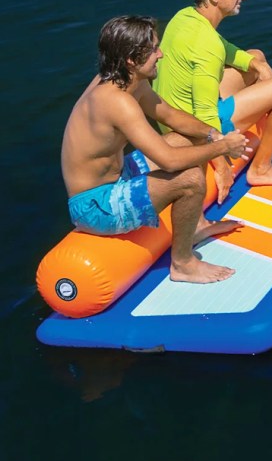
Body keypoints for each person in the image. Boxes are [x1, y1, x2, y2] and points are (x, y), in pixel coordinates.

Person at [62, 16, 251, 283]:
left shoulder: (129, 80)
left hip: (119, 176)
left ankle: (195, 226)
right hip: (95, 205)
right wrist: (223, 147)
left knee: (191, 137)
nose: (161, 54)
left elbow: (171, 116)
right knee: (190, 180)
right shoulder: (116, 101)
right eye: (153, 50)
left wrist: (212, 135)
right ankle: (183, 264)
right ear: (131, 59)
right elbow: (169, 161)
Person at [153, 0, 272, 203]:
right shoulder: (207, 46)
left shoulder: (185, 16)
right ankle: (261, 168)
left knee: (255, 55)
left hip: (177, 114)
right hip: (190, 131)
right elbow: (204, 115)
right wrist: (222, 166)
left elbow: (226, 48)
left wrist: (259, 65)